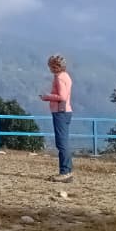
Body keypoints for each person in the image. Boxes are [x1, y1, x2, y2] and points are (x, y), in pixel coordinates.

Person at [39, 54, 73, 182]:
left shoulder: (59, 78)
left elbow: (62, 97)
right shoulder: (66, 76)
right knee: (64, 142)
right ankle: (67, 170)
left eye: (52, 66)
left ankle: (65, 172)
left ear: (56, 66)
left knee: (61, 143)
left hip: (60, 112)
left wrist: (47, 97)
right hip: (66, 111)